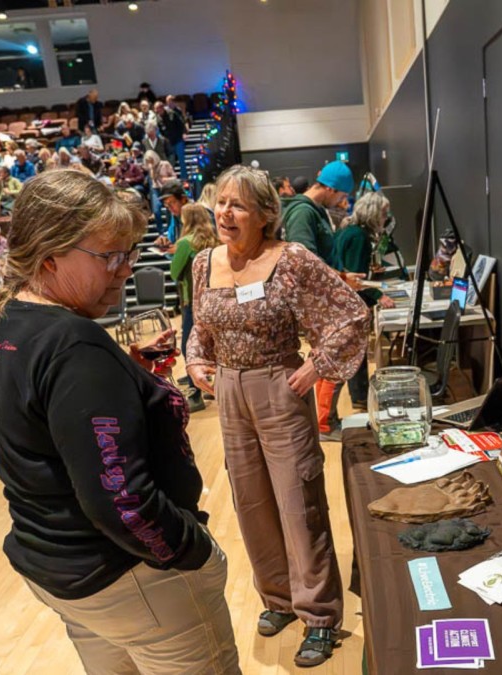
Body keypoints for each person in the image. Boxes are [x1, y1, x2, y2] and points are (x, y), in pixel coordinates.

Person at [0, 170, 240, 673]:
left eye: (129, 254)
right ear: (49, 254)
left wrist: (128, 376)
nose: (125, 270)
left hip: (63, 571)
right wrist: (191, 550)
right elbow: (122, 499)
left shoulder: (7, 324)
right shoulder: (73, 345)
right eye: (109, 256)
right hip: (129, 574)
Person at [185, 165, 368, 668]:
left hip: (279, 388)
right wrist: (197, 357)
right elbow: (201, 325)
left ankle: (320, 615)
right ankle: (279, 598)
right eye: (221, 201)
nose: (225, 212)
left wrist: (317, 366)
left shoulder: (290, 260)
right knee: (251, 501)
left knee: (298, 502)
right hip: (228, 393)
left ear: (265, 214)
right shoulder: (204, 263)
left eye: (238, 205)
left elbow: (350, 313)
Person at [327, 191, 396, 419]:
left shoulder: (348, 229)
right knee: (355, 352)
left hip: (339, 302)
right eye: (384, 213)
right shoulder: (359, 237)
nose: (386, 218)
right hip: (351, 304)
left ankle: (358, 396)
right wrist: (377, 294)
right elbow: (355, 278)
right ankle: (360, 397)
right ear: (374, 213)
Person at [169, 203, 217, 413]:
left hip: (193, 301)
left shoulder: (186, 243)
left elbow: (174, 272)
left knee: (191, 344)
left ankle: (194, 394)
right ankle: (209, 385)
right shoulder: (216, 240)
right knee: (213, 344)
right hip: (215, 299)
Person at [281, 161, 353, 262]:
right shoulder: (302, 213)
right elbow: (305, 262)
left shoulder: (316, 209)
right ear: (331, 189)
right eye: (342, 196)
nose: (342, 200)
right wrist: (340, 275)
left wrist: (343, 275)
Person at [157, 96, 187, 175]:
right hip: (169, 142)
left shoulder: (172, 113)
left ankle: (184, 176)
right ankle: (172, 176)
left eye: (158, 109)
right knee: (171, 161)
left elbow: (180, 124)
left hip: (178, 139)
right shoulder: (158, 118)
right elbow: (161, 130)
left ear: (162, 108)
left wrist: (182, 133)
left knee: (181, 159)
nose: (157, 111)